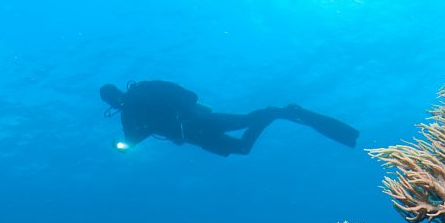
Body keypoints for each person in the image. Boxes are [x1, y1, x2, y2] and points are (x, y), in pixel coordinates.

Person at [99, 80, 359, 156]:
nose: (117, 103)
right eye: (113, 102)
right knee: (243, 148)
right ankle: (277, 113)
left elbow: (188, 96)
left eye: (115, 98)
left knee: (245, 121)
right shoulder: (130, 116)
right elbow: (133, 140)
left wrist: (123, 145)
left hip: (197, 124)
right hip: (193, 137)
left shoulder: (145, 93)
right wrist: (122, 146)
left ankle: (279, 112)